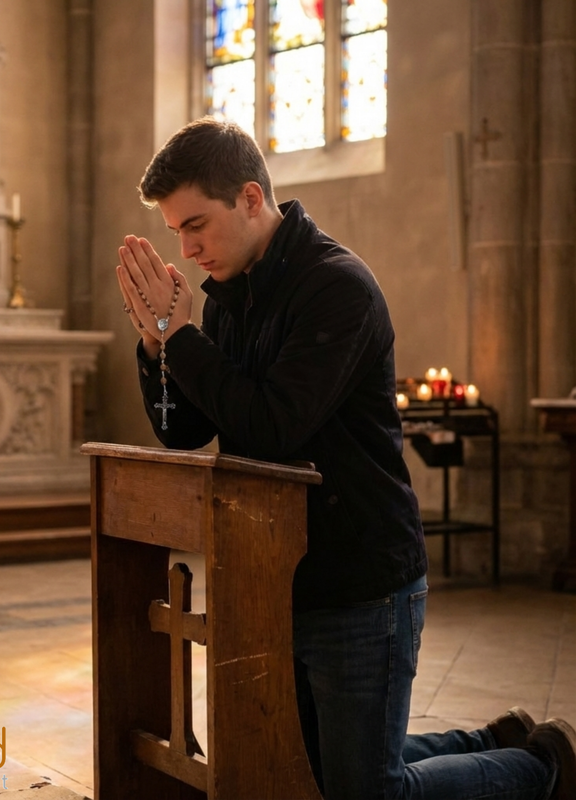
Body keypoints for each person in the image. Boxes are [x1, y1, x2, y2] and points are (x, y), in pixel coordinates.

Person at [115, 117, 576, 800]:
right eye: (176, 231)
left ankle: (544, 766)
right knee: (316, 769)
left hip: (362, 577)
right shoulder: (230, 301)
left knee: (366, 793)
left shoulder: (337, 285)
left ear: (248, 197)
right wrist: (158, 349)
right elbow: (184, 434)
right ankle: (490, 742)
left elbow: (273, 427)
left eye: (195, 225)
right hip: (278, 574)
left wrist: (179, 337)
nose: (185, 249)